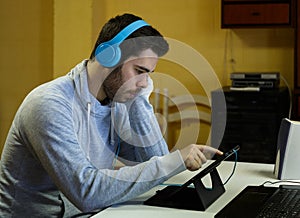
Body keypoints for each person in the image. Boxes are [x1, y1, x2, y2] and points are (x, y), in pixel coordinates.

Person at [0, 13, 222, 217]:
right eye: (139, 71)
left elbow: (153, 161)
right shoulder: (49, 104)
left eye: (148, 75)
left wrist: (139, 98)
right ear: (108, 57)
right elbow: (86, 193)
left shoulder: (118, 100)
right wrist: (173, 161)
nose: (144, 82)